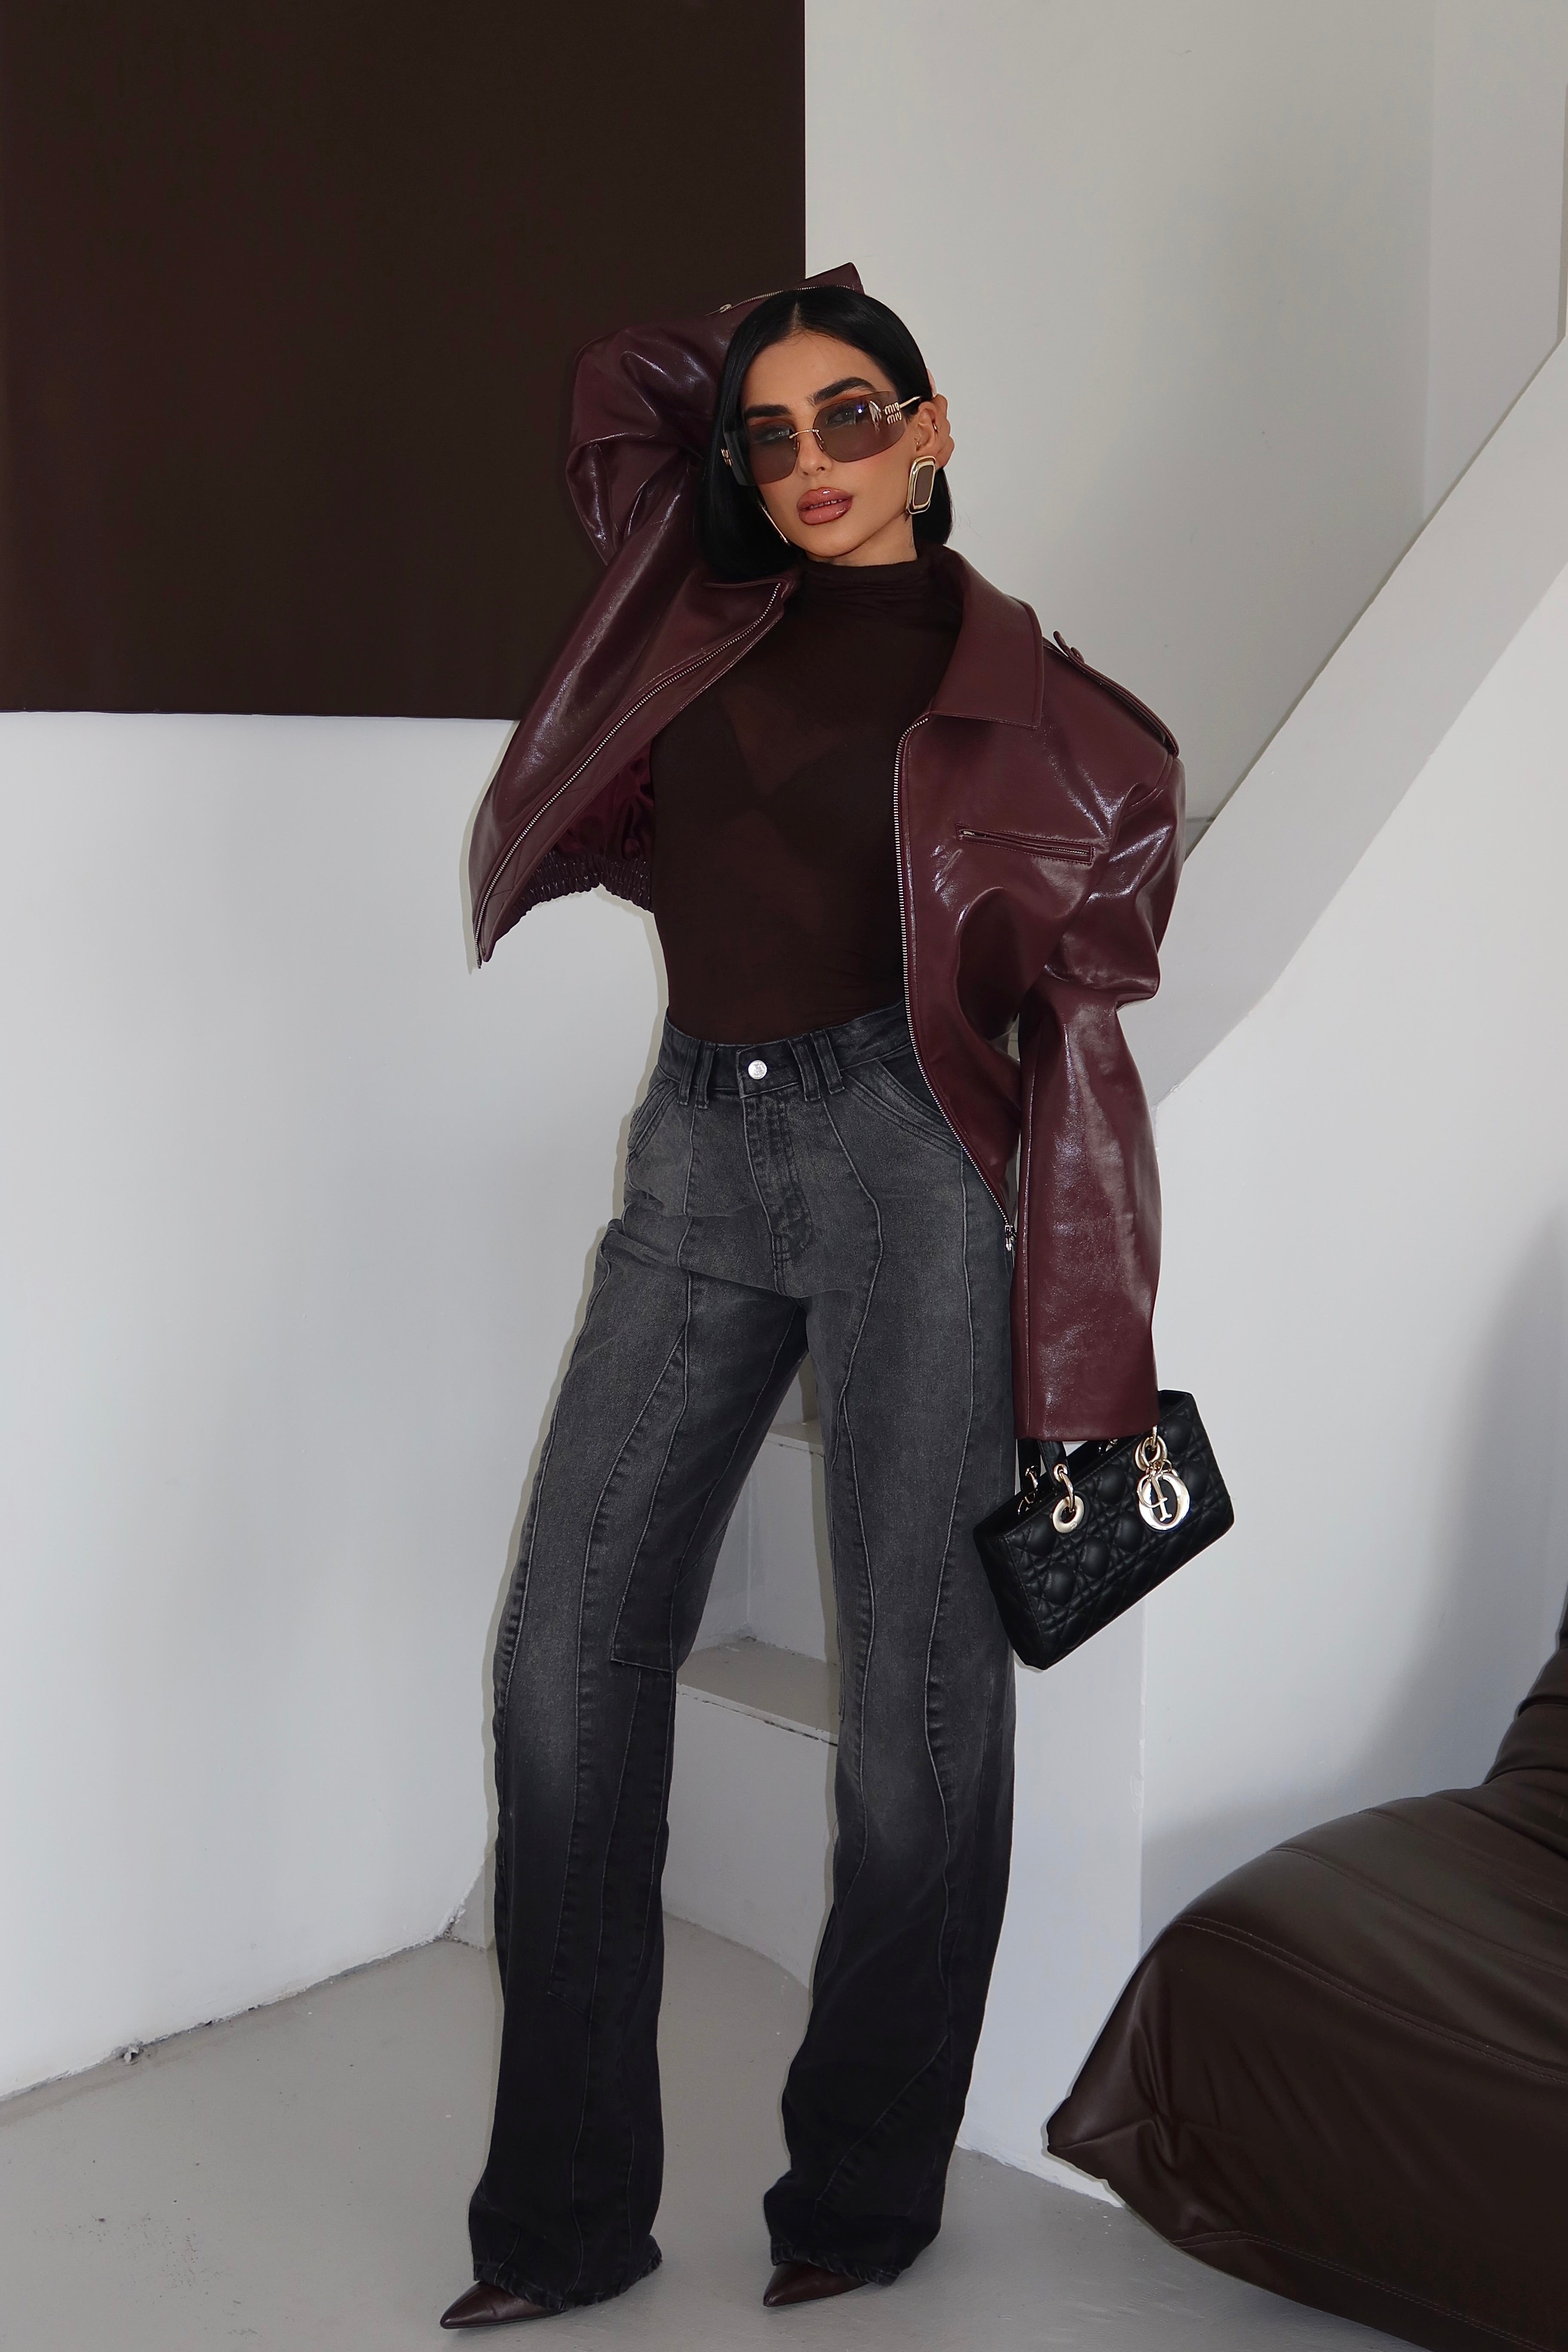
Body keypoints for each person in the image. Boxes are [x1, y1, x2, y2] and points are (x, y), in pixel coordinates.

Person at [441, 266, 1184, 2329]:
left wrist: (1088, 1358)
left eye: (857, 416)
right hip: (695, 1152)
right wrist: (785, 341)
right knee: (564, 1655)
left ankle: (863, 2189)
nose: (809, 465)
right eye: (770, 437)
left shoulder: (1076, 731)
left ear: (936, 433)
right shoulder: (696, 600)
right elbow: (621, 386)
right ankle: (563, 2222)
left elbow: (1080, 1053)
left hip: (905, 1172)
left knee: (918, 1720)